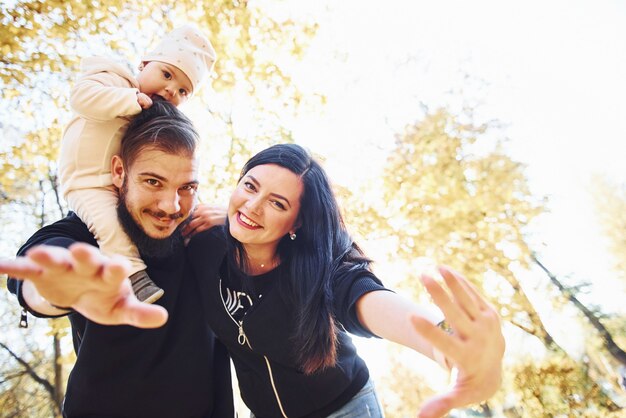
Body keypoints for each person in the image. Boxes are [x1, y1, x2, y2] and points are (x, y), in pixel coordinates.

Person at [186, 143, 505, 418]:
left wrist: (452, 343)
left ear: (297, 221)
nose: (253, 206)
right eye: (250, 186)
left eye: (277, 203)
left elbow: (373, 301)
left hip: (343, 408)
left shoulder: (323, 270)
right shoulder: (205, 247)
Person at [3, 101, 234, 418]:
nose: (170, 205)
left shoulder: (207, 238)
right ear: (118, 171)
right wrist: (55, 290)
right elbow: (42, 270)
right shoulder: (85, 233)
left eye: (187, 187)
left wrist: (243, 225)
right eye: (153, 182)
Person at [58, 24, 216, 303]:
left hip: (122, 184)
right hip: (85, 182)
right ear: (143, 63)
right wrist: (131, 100)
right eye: (166, 74)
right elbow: (81, 97)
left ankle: (191, 239)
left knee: (174, 206)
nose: (170, 90)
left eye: (182, 91)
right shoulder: (115, 81)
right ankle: (134, 277)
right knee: (109, 225)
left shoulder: (156, 121)